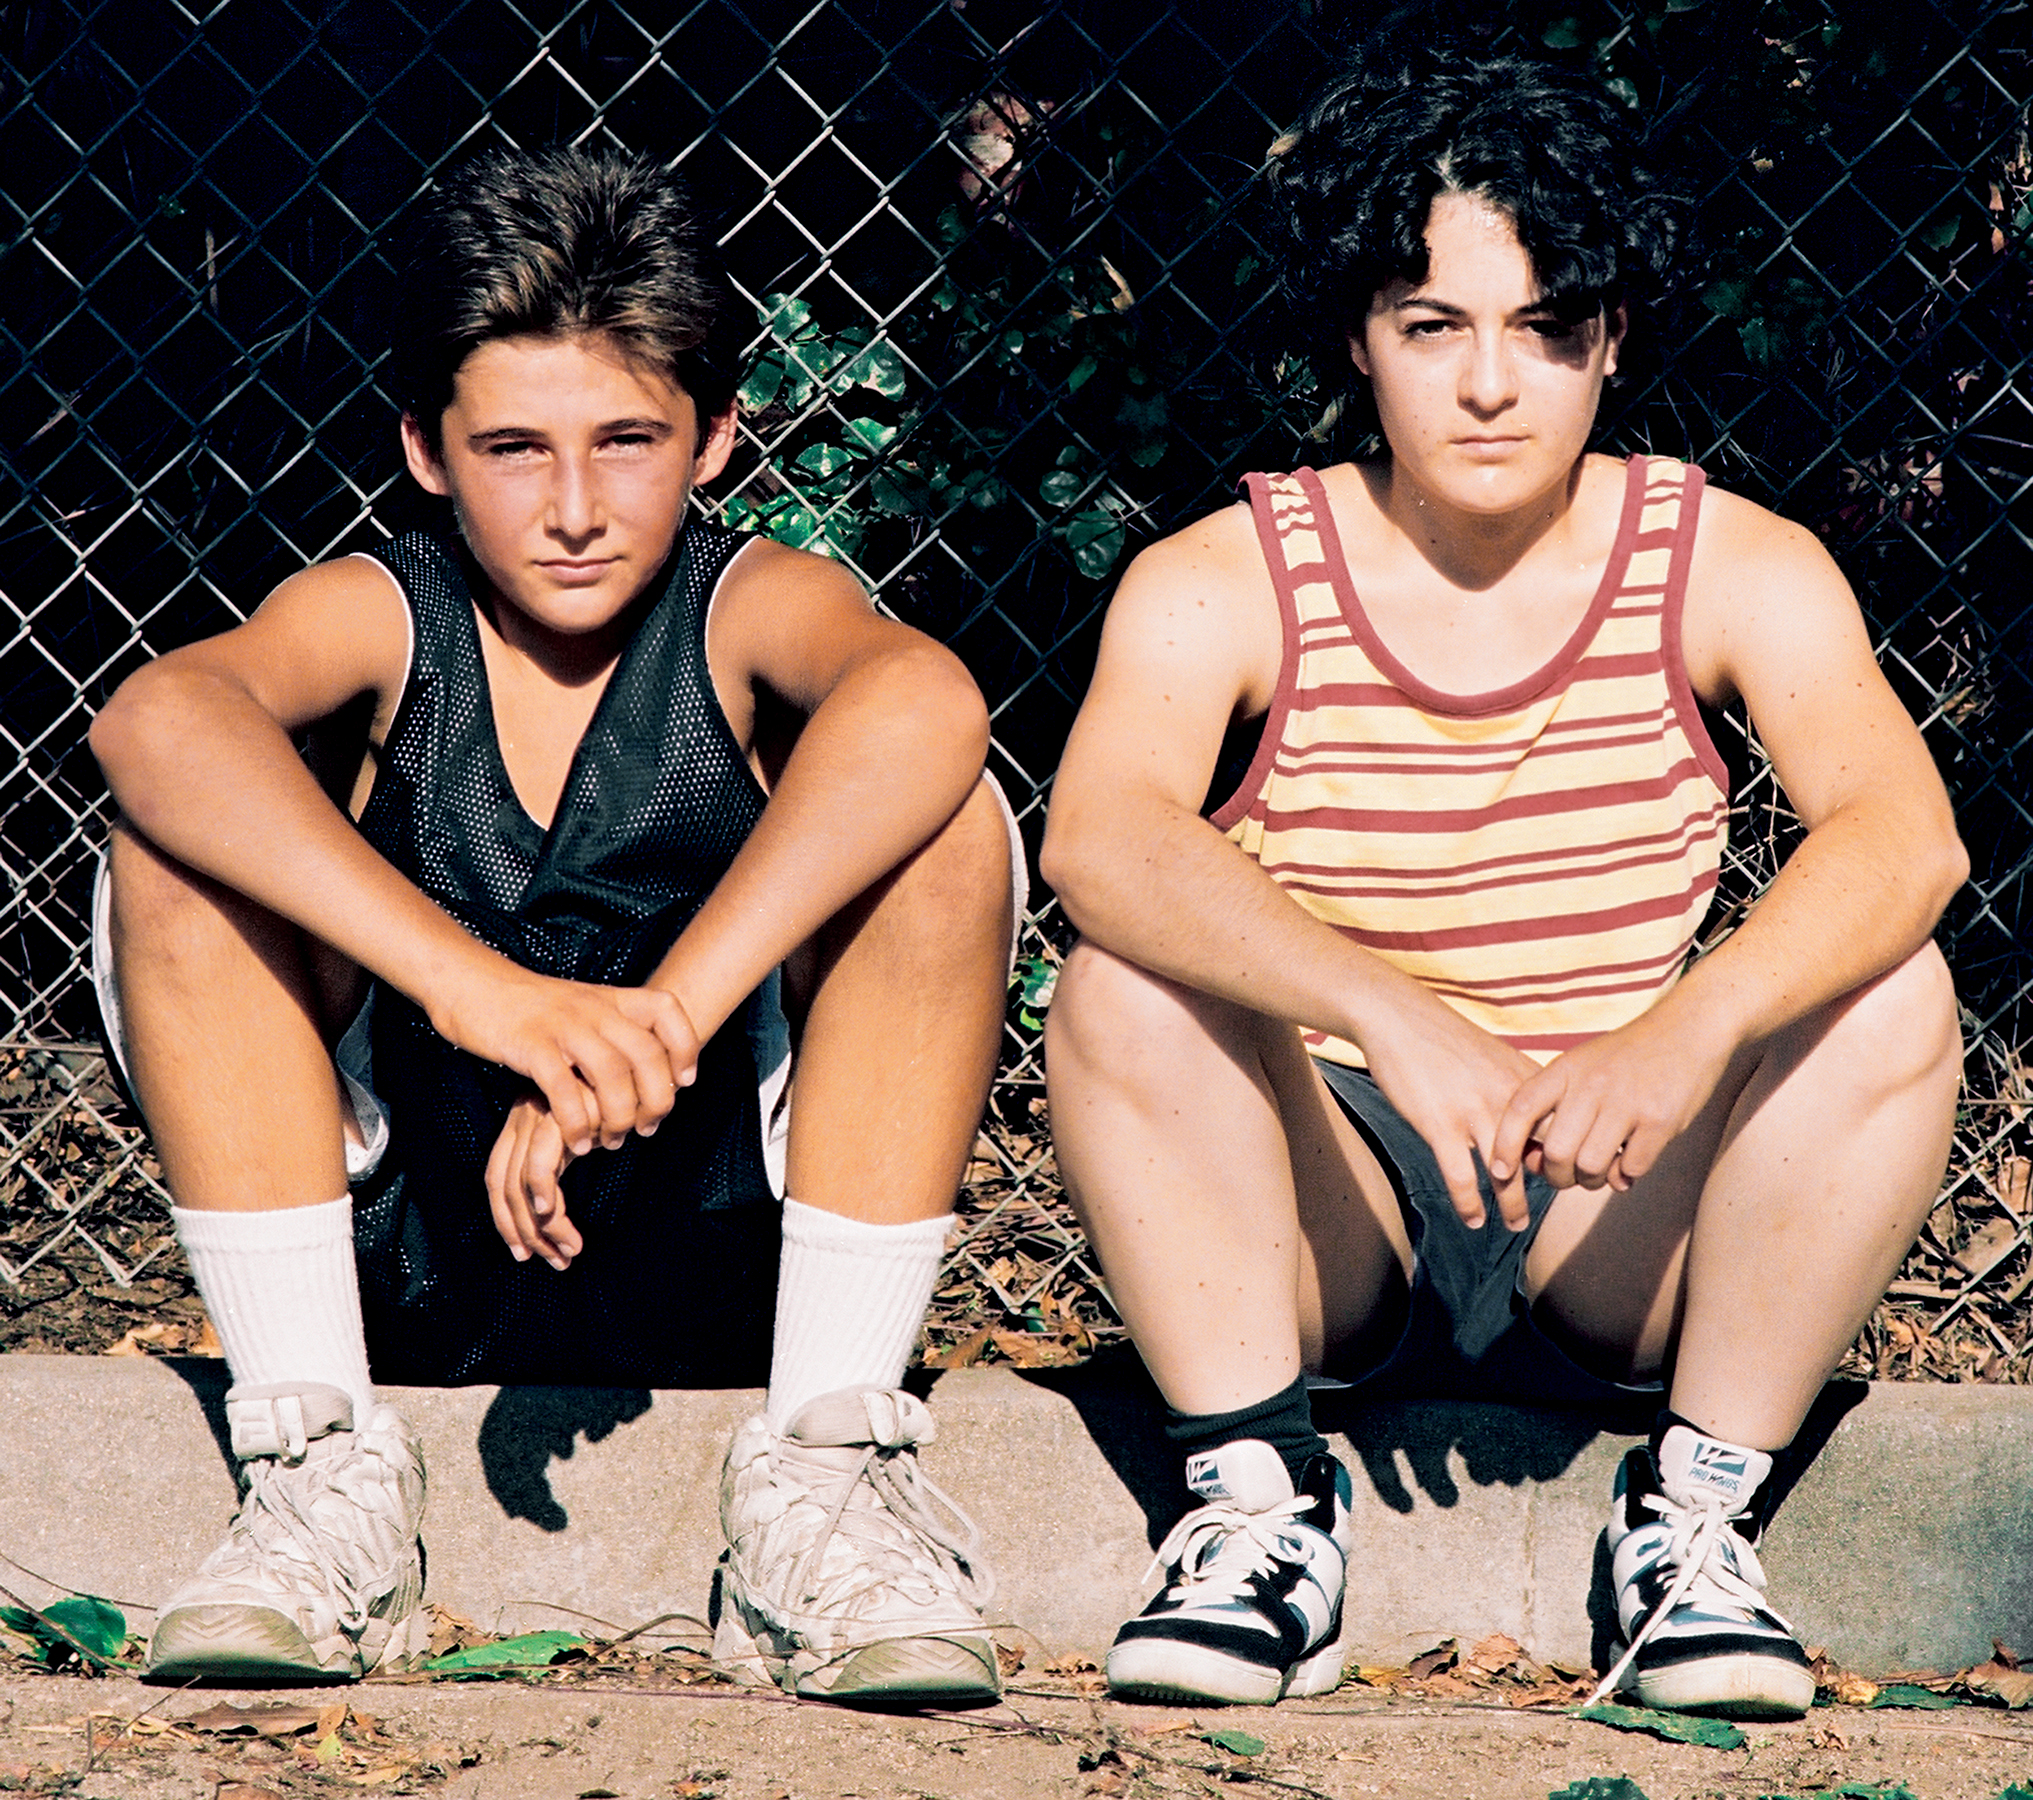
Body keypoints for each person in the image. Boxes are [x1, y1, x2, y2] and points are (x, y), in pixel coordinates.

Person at [1040, 39, 1965, 1718]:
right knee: (1121, 974)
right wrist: (1385, 1016)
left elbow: (1904, 839)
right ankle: (1258, 1517)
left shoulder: (1730, 559)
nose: (1489, 385)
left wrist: (1681, 1038)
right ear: (1358, 337)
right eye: (1433, 327)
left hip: (1616, 1189)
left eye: (1544, 329)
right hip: (1343, 1196)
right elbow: (1098, 840)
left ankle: (1685, 1529)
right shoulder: (1228, 574)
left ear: (1608, 341)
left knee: (1891, 987)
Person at [89, 145, 1022, 1709]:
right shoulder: (393, 611)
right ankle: (317, 1477)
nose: (575, 508)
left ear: (717, 437)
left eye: (629, 442)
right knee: (173, 850)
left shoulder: (744, 605)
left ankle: (827, 1478)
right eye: (515, 447)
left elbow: (924, 697)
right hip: (409, 1261)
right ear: (428, 452)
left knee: (945, 830)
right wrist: (491, 1000)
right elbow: (157, 717)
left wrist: (657, 1019)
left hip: (734, 1257)